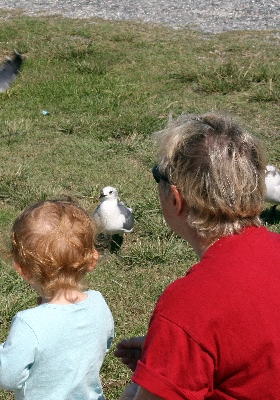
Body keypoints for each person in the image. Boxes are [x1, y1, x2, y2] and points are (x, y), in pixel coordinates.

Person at [115, 112, 280, 399]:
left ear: (177, 199)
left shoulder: (188, 306)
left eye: (159, 175)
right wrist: (172, 354)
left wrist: (176, 344)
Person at [0, 198, 114, 400]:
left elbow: (7, 378)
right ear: (92, 260)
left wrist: (0, 356)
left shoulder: (29, 324)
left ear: (23, 270)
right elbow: (104, 344)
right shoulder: (99, 304)